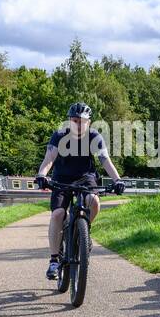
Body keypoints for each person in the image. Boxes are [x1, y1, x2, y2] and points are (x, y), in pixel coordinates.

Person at [35, 102, 125, 280]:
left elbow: (104, 159)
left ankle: (83, 232)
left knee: (94, 202)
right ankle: (54, 260)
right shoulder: (59, 135)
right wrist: (42, 175)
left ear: (88, 122)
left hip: (86, 177)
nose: (77, 124)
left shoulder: (94, 136)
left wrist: (117, 180)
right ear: (69, 121)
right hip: (61, 178)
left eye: (81, 121)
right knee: (58, 214)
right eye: (74, 120)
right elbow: (49, 158)